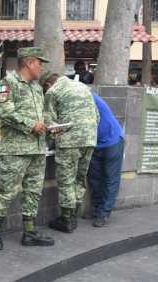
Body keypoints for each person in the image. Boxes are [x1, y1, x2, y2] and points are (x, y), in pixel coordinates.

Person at [0, 47, 55, 251]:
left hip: (37, 149)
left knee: (33, 192)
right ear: (28, 63)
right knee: (7, 192)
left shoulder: (36, 87)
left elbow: (43, 114)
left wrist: (52, 127)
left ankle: (29, 232)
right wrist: (30, 125)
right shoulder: (6, 84)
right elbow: (4, 112)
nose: (42, 68)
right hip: (16, 150)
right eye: (40, 63)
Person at [40, 71, 99, 233]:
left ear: (47, 84)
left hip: (69, 142)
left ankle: (66, 219)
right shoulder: (82, 87)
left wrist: (47, 142)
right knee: (80, 178)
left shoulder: (52, 92)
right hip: (90, 139)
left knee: (66, 180)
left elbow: (50, 123)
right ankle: (73, 214)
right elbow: (97, 116)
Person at [88, 93, 125, 227]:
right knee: (94, 177)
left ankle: (103, 213)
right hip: (95, 143)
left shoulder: (88, 96)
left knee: (110, 179)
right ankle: (97, 209)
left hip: (113, 141)